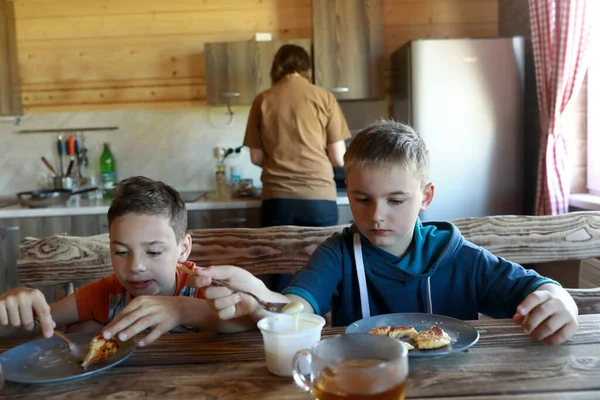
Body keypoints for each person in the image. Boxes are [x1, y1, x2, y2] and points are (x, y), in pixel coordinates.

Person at [190, 119, 579, 346]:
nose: (377, 216)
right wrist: (258, 298)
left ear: (425, 197)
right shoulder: (338, 254)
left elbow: (538, 288)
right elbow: (298, 307)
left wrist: (561, 301)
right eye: (362, 199)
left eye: (396, 200)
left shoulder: (460, 257)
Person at [0, 176, 248, 346]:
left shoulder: (209, 289)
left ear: (183, 249)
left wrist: (185, 310)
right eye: (120, 252)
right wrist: (12, 309)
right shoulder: (105, 295)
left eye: (153, 252)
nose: (135, 267)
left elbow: (256, 320)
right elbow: (34, 326)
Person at [243, 44, 351, 228]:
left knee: (278, 257)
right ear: (306, 68)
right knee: (321, 256)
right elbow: (339, 157)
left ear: (276, 68)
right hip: (319, 198)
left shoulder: (262, 100)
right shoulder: (324, 97)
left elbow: (256, 157)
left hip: (277, 200)